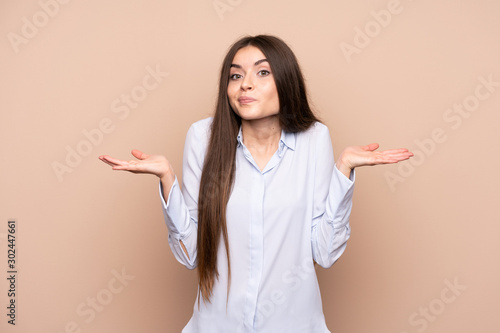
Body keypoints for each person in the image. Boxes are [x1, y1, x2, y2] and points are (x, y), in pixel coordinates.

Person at [99, 35, 413, 333]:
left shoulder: (314, 139)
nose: (245, 84)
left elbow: (325, 252)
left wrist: (343, 172)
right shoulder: (203, 138)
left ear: (286, 82)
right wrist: (167, 178)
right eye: (235, 76)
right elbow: (190, 254)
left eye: (262, 72)